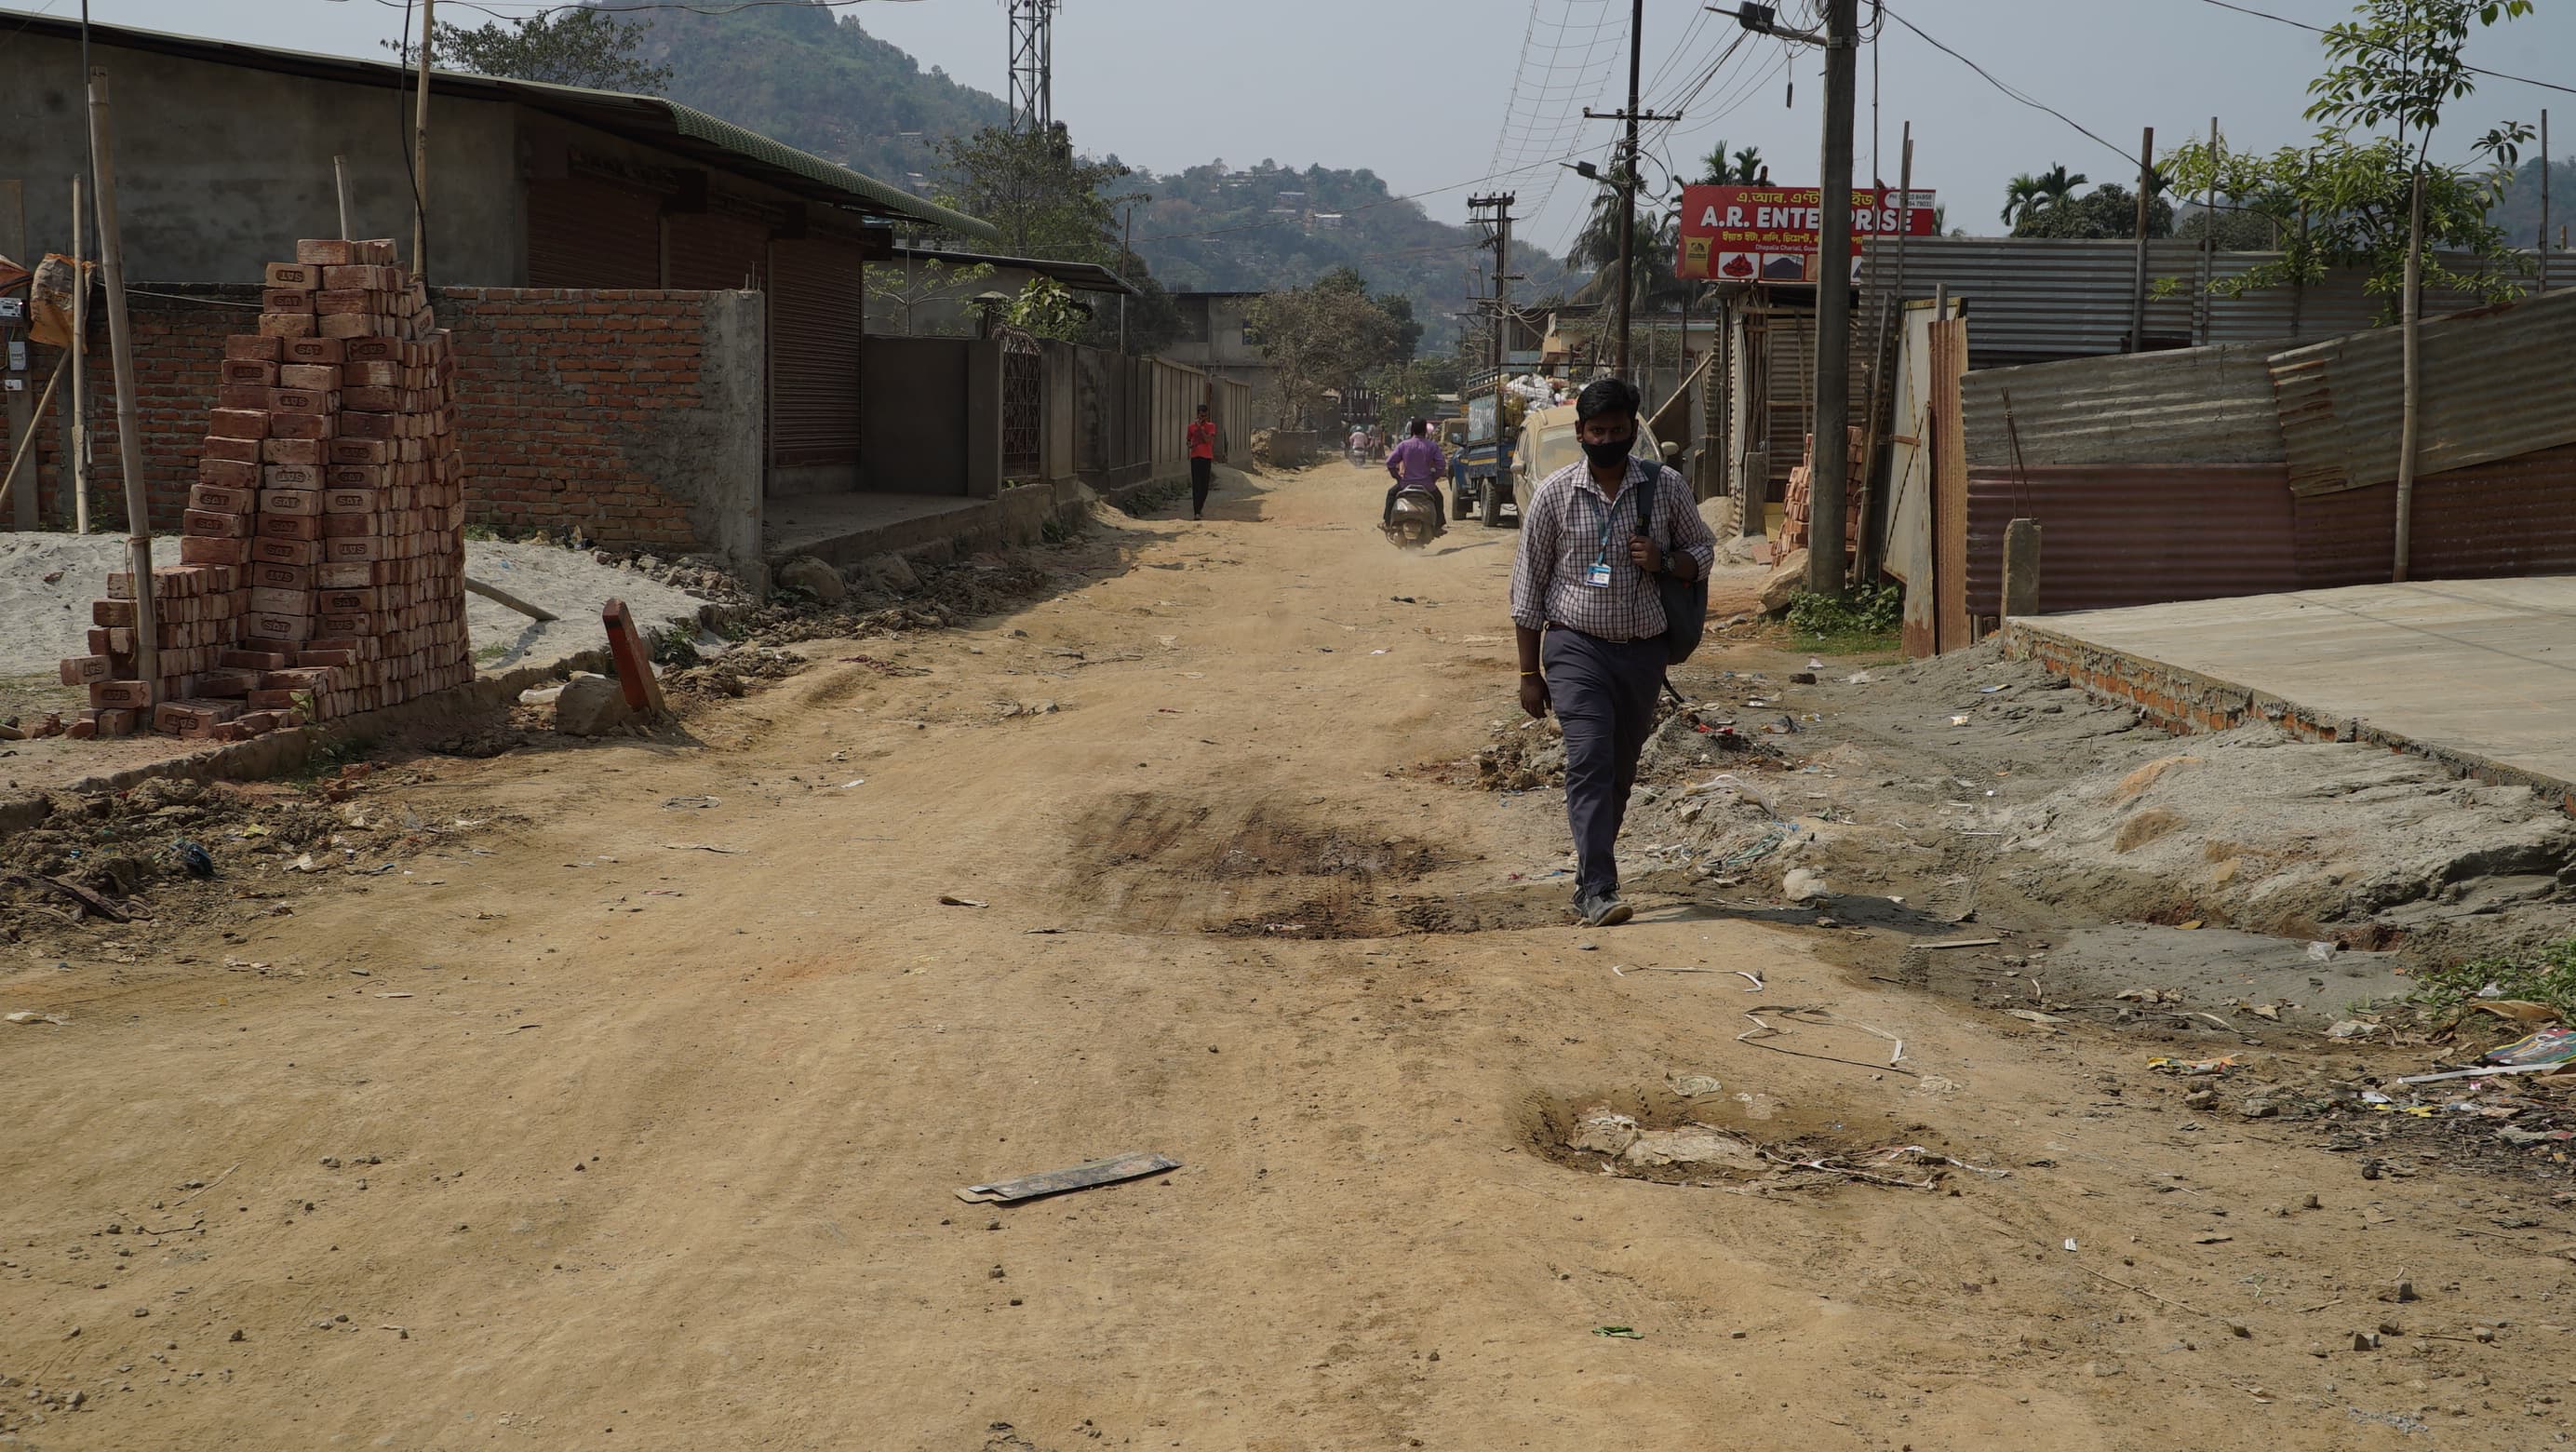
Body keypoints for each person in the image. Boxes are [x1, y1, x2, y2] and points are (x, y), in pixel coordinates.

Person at [1507, 377, 1714, 927]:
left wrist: (1666, 562)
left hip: (1643, 652)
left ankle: (1589, 875)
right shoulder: (1554, 495)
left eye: (1618, 431)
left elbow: (1703, 551)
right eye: (1596, 431)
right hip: (1575, 647)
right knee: (1591, 759)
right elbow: (1527, 589)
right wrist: (1530, 673)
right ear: (1580, 433)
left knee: (1621, 769)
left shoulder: (1664, 488)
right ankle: (1599, 885)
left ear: (1632, 433)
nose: (1607, 439)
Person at [1381, 417, 1449, 534]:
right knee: (1438, 498)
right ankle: (1438, 526)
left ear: (1412, 429)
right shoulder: (1432, 446)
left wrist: (1397, 477)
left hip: (1405, 484)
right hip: (1427, 485)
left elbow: (1390, 463)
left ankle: (1387, 523)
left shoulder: (1404, 445)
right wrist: (1434, 478)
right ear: (1425, 430)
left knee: (1391, 494)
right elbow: (1441, 465)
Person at [1187, 404, 1219, 518]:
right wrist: (1190, 444)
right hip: (1195, 457)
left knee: (1204, 486)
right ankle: (1196, 512)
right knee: (1196, 485)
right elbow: (1188, 440)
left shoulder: (1211, 426)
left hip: (1206, 458)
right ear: (1197, 414)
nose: (1202, 417)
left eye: (1204, 415)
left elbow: (1207, 440)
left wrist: (1200, 428)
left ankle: (1199, 508)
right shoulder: (1191, 427)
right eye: (1201, 415)